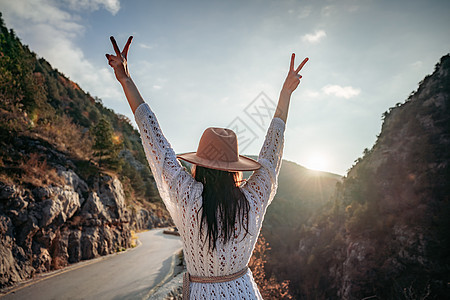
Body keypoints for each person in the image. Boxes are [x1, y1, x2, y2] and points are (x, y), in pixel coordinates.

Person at [106, 36, 308, 299]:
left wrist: (125, 80)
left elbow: (153, 136)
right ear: (235, 168)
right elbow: (272, 151)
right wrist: (285, 94)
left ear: (199, 165)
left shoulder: (187, 195)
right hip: (245, 292)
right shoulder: (252, 200)